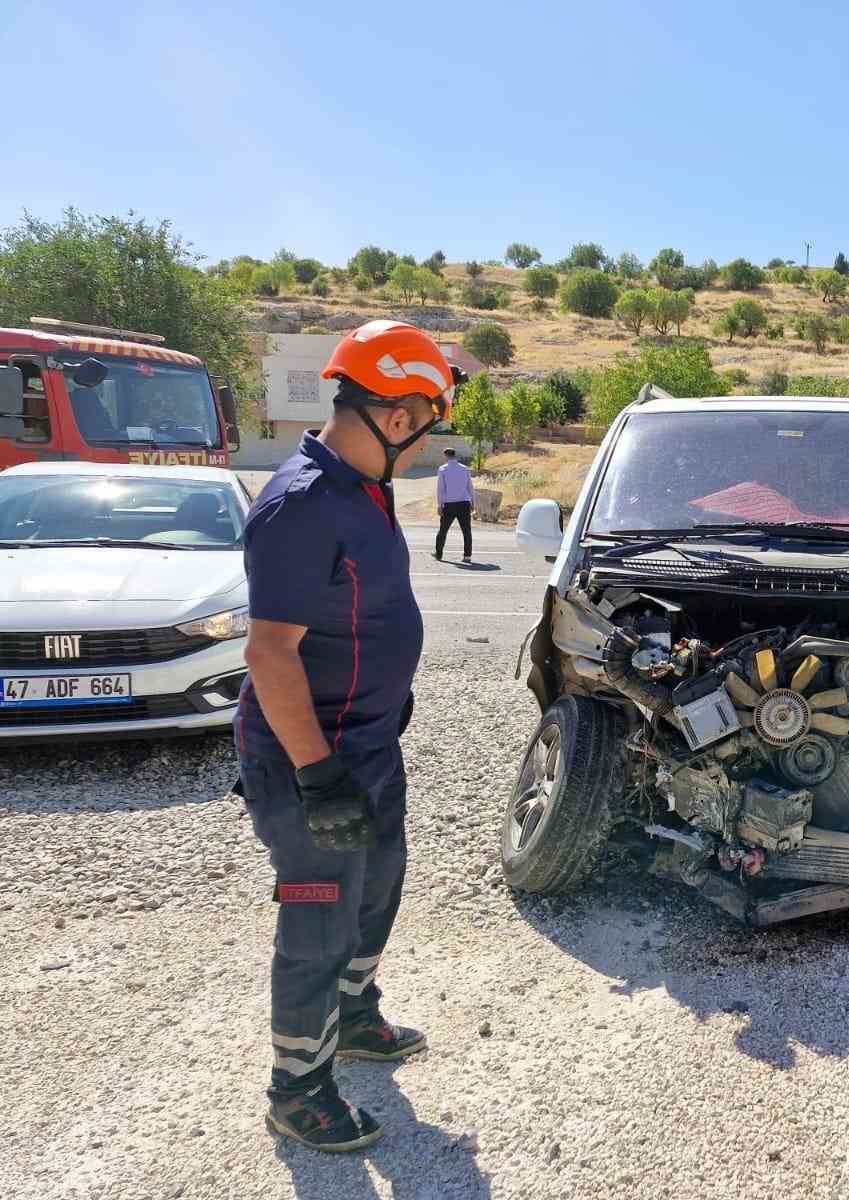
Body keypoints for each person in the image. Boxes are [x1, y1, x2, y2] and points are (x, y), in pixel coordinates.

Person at [235, 319, 457, 1153]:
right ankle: (298, 1089)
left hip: (366, 743)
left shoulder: (364, 485)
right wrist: (319, 777)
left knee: (378, 887)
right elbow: (270, 652)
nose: (428, 438)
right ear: (398, 415)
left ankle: (355, 1017)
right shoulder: (302, 502)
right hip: (309, 760)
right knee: (318, 917)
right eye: (428, 419)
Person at [435, 446, 476, 562]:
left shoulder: (443, 469)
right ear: (455, 455)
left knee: (443, 530)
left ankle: (439, 554)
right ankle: (467, 555)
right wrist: (473, 502)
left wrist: (440, 505)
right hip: (464, 503)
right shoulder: (465, 468)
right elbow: (470, 487)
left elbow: (441, 489)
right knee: (466, 530)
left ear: (446, 456)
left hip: (450, 504)